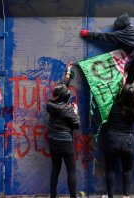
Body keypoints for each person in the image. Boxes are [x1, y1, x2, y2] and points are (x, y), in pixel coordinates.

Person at [80, 13, 134, 107]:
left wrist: (88, 34)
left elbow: (105, 37)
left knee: (129, 79)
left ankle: (122, 98)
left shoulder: (123, 33)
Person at [46, 63, 80, 198]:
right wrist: (76, 112)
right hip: (65, 142)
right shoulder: (67, 109)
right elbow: (77, 125)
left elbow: (60, 88)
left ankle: (53, 196)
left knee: (55, 169)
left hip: (53, 140)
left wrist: (67, 74)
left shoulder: (50, 104)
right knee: (71, 170)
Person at [102, 84, 134, 198]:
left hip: (112, 140)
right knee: (127, 170)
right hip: (129, 141)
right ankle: (126, 196)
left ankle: (110, 196)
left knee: (111, 170)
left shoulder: (112, 105)